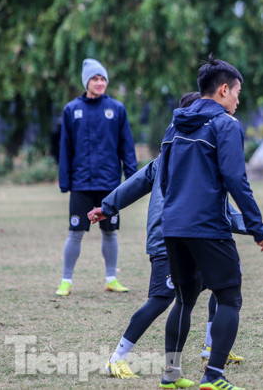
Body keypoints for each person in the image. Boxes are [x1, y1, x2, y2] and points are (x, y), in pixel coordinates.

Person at [87, 93, 245, 383]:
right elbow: (137, 182)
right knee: (161, 299)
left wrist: (108, 206)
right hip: (168, 239)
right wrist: (107, 207)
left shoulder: (186, 151)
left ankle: (210, 348)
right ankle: (116, 359)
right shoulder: (178, 154)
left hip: (195, 237)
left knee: (223, 283)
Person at [158, 55, 263, 390]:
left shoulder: (175, 124)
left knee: (184, 299)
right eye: (237, 93)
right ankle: (213, 376)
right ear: (223, 90)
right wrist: (256, 225)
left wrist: (176, 210)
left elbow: (163, 180)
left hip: (173, 224)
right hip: (207, 225)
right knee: (230, 298)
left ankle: (171, 374)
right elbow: (236, 179)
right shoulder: (226, 125)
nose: (238, 100)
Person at [55, 58, 137, 296]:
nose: (100, 83)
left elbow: (127, 147)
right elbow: (65, 148)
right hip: (81, 184)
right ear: (86, 82)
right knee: (75, 232)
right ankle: (66, 281)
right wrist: (65, 181)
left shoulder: (117, 109)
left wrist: (132, 179)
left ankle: (111, 279)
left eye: (103, 78)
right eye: (95, 78)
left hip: (109, 183)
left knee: (109, 232)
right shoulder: (72, 110)